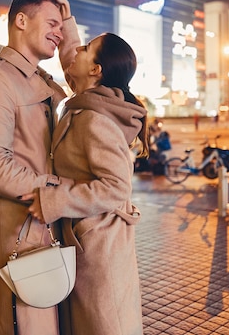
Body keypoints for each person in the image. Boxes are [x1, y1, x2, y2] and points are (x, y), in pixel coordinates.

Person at [25, 21, 149, 333]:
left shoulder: (94, 118)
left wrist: (55, 201)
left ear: (96, 69)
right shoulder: (84, 104)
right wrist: (64, 21)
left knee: (104, 325)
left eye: (85, 49)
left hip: (100, 245)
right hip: (89, 239)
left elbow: (117, 187)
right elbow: (70, 64)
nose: (75, 52)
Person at [0, 0, 74, 335]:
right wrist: (55, 190)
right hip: (18, 229)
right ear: (21, 20)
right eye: (53, 23)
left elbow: (86, 80)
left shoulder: (40, 79)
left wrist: (69, 20)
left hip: (46, 223)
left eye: (62, 25)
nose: (59, 33)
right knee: (24, 326)